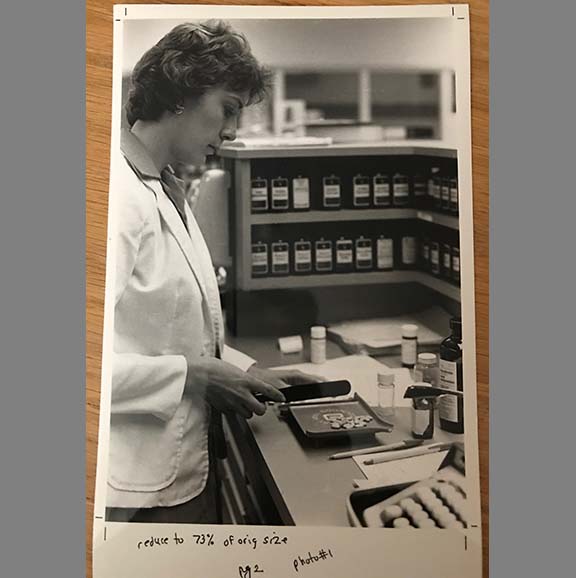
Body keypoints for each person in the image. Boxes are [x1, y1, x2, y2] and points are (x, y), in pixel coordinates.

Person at [106, 21, 320, 524]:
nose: (231, 132)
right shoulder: (118, 199)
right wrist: (193, 378)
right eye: (228, 109)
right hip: (136, 496)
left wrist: (246, 372)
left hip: (181, 470)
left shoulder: (162, 188)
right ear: (179, 94)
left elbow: (171, 326)